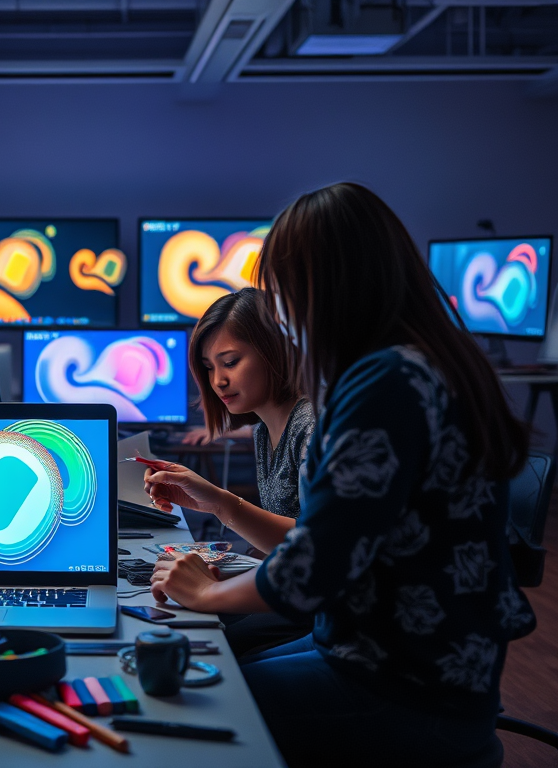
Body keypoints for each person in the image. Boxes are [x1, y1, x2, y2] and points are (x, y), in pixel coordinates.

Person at [148, 183, 535, 768]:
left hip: (402, 688)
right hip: (420, 668)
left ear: (327, 285)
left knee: (191, 704)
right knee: (217, 668)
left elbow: (311, 571)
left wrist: (203, 592)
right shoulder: (428, 362)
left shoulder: (382, 384)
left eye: (281, 292)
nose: (279, 314)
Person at [145, 287, 316, 655]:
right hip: (290, 591)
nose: (218, 380)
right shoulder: (262, 430)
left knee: (194, 644)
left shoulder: (309, 424)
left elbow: (315, 546)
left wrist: (222, 504)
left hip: (312, 605)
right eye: (209, 368)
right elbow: (280, 542)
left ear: (275, 350)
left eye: (231, 361)